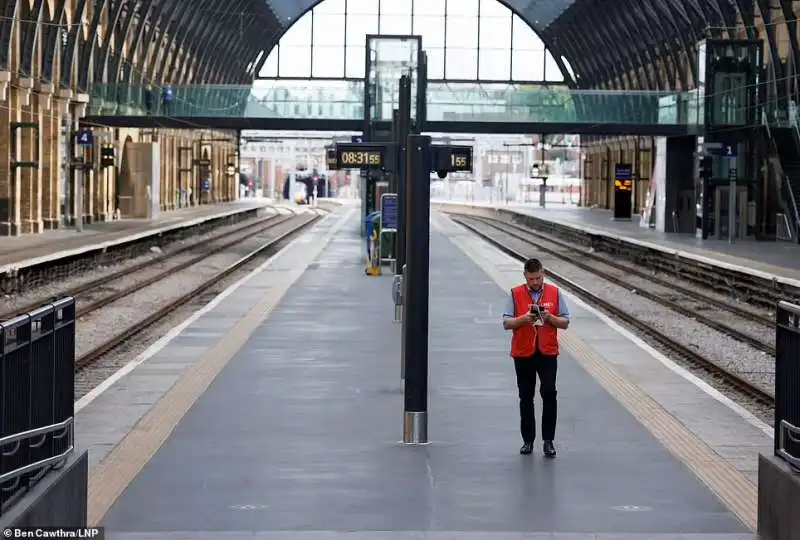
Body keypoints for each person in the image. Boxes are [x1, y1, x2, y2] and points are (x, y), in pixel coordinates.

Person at [502, 257, 570, 457]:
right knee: (526, 397)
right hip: (523, 353)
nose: (535, 282)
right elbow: (506, 323)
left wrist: (549, 318)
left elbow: (565, 322)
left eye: (538, 278)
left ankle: (548, 441)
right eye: (531, 279)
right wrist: (524, 319)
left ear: (543, 274)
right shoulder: (515, 294)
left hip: (547, 352)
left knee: (549, 394)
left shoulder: (555, 293)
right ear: (525, 276)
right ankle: (528, 441)